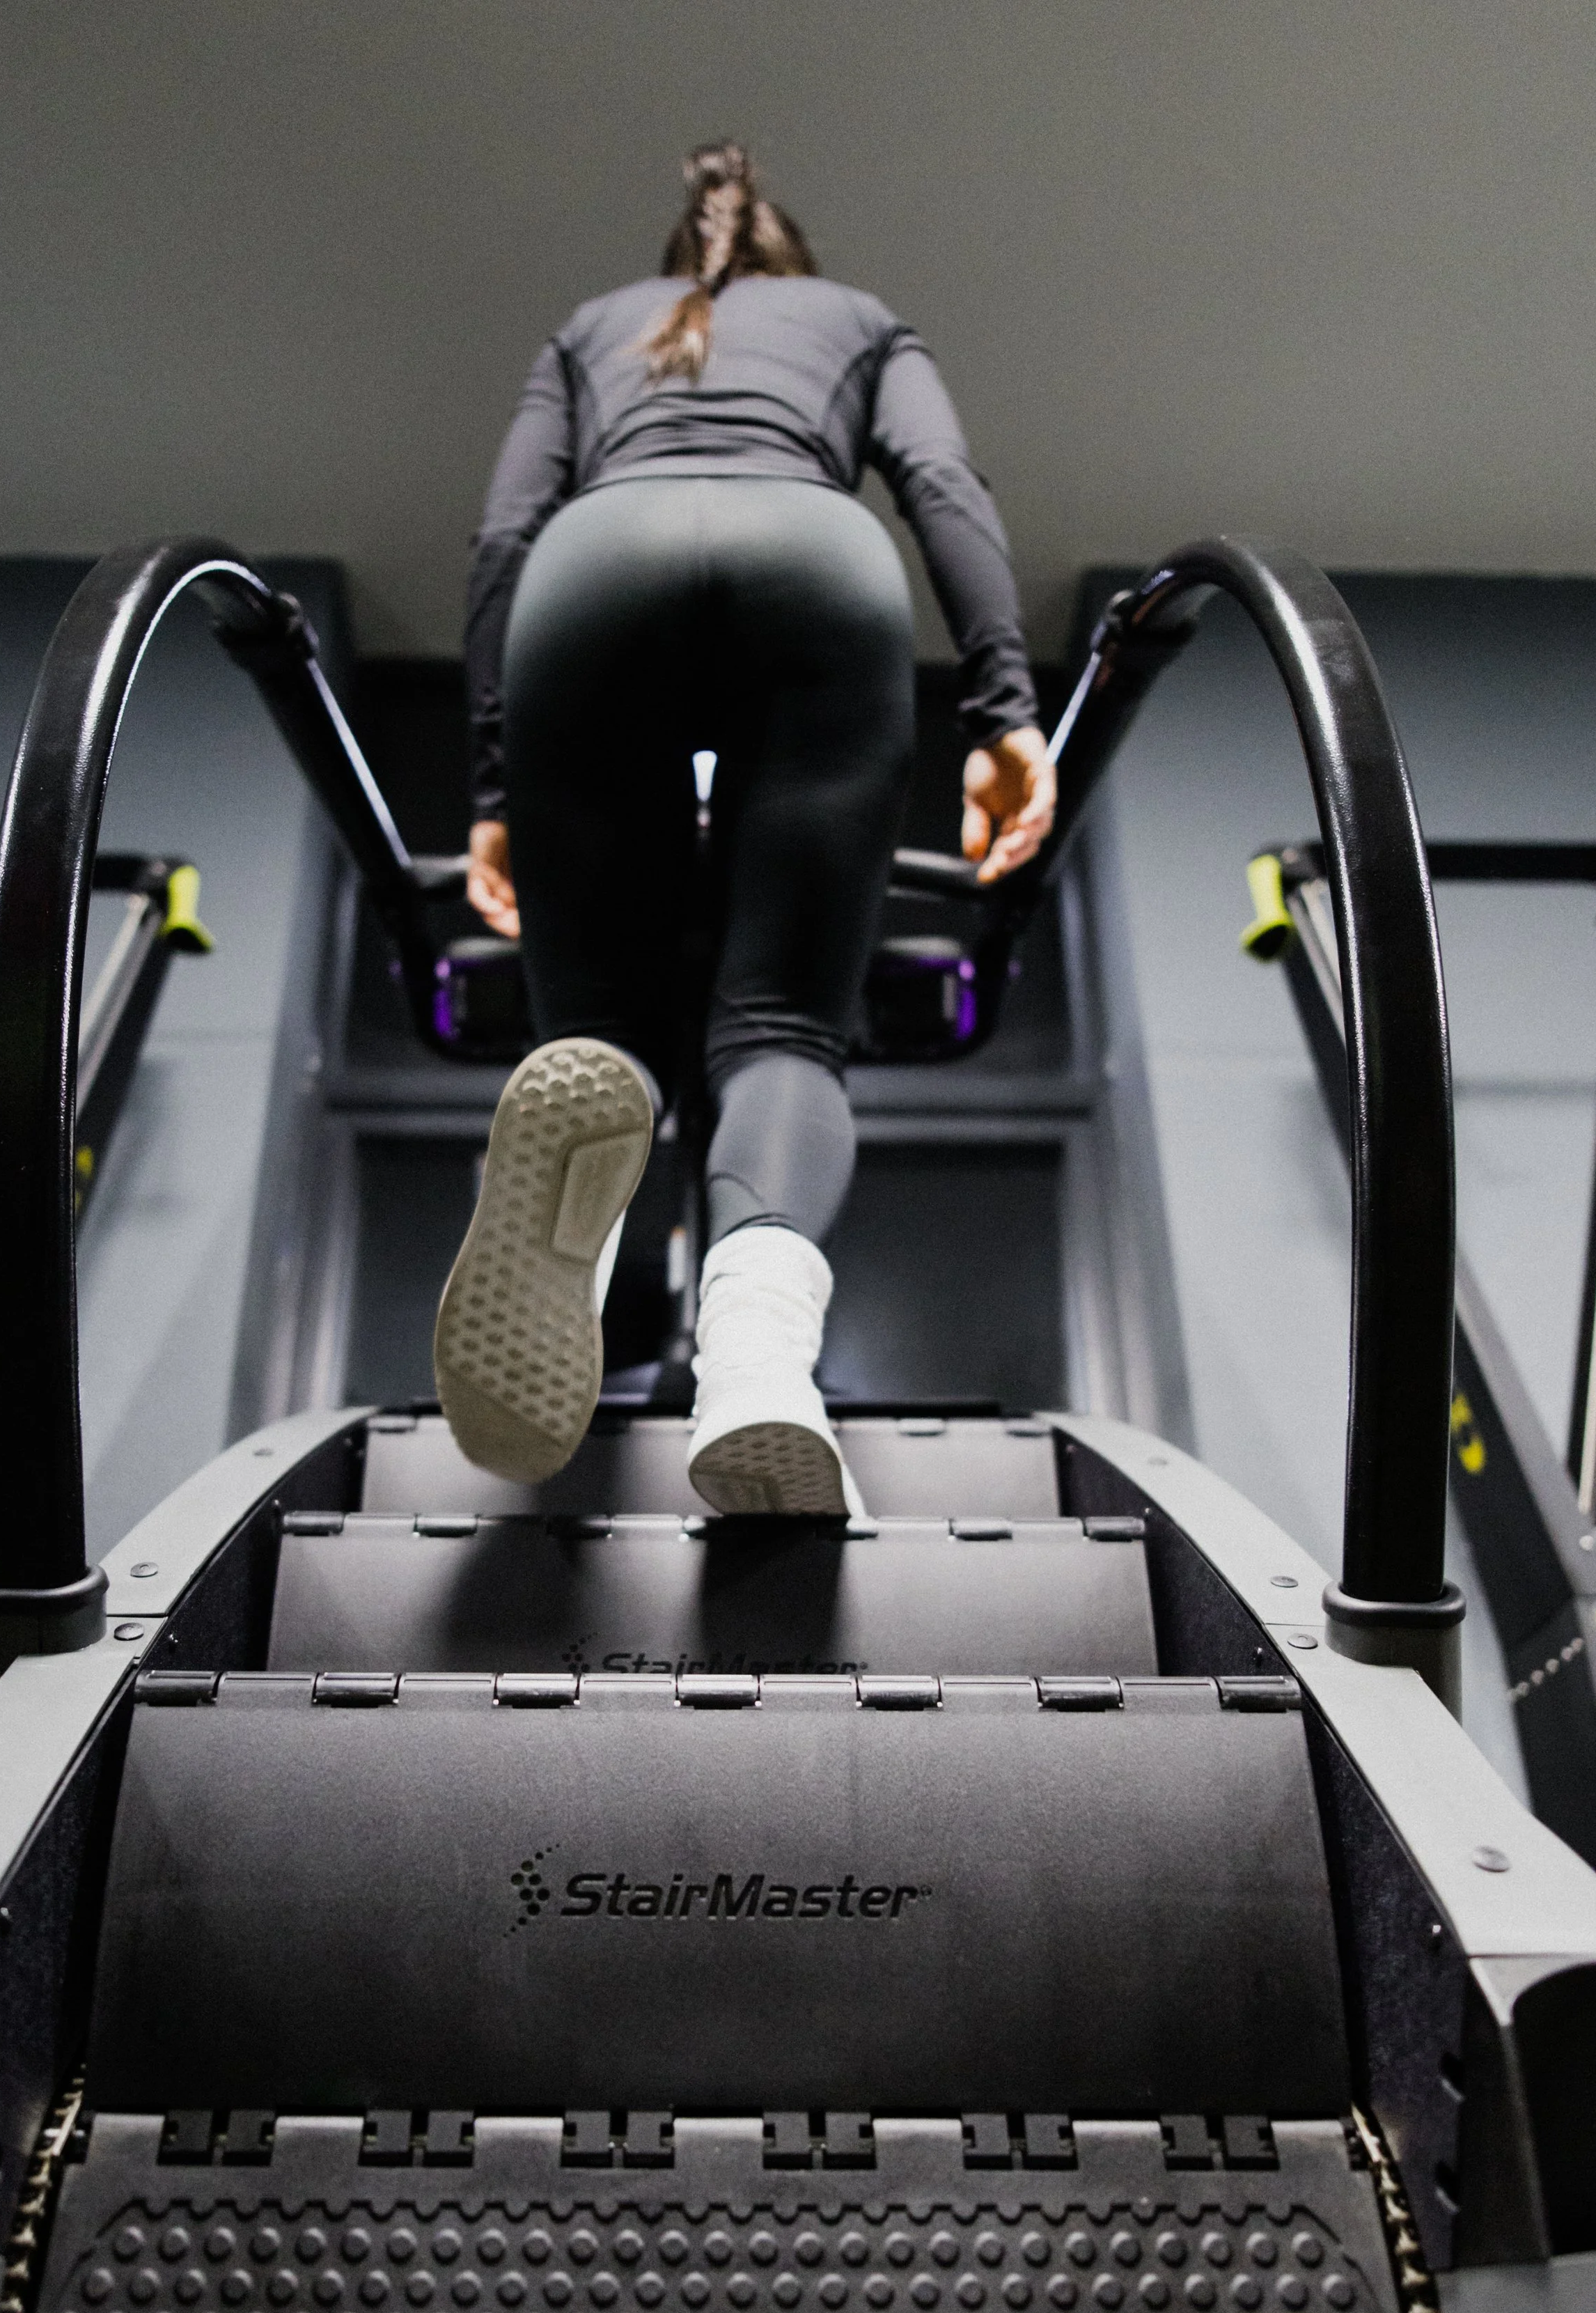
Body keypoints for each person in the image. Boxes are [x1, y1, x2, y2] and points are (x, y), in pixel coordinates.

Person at [434, 141, 1055, 1511]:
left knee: (594, 1025)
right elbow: (944, 488)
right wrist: (1003, 713)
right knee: (778, 1027)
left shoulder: (590, 332)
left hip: (591, 570)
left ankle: (576, 1263)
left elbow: (496, 540)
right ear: (794, 264)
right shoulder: (858, 324)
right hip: (813, 559)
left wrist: (492, 792)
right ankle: (760, 1365)